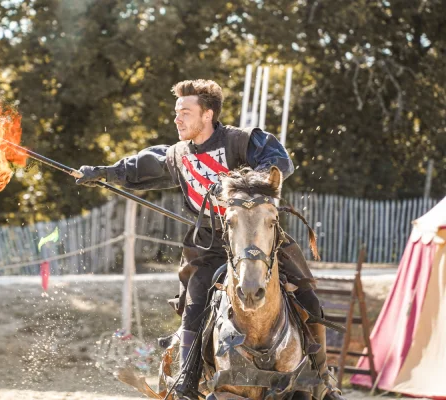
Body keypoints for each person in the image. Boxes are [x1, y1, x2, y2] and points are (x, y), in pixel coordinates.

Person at [76, 79, 343, 400]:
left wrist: (239, 184)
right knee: (194, 305)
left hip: (256, 234)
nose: (177, 119)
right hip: (208, 245)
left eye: (185, 112)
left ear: (208, 114)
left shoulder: (241, 141)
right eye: (177, 112)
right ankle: (187, 383)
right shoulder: (176, 155)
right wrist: (103, 172)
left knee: (308, 296)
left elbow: (278, 161)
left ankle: (322, 378)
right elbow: (139, 168)